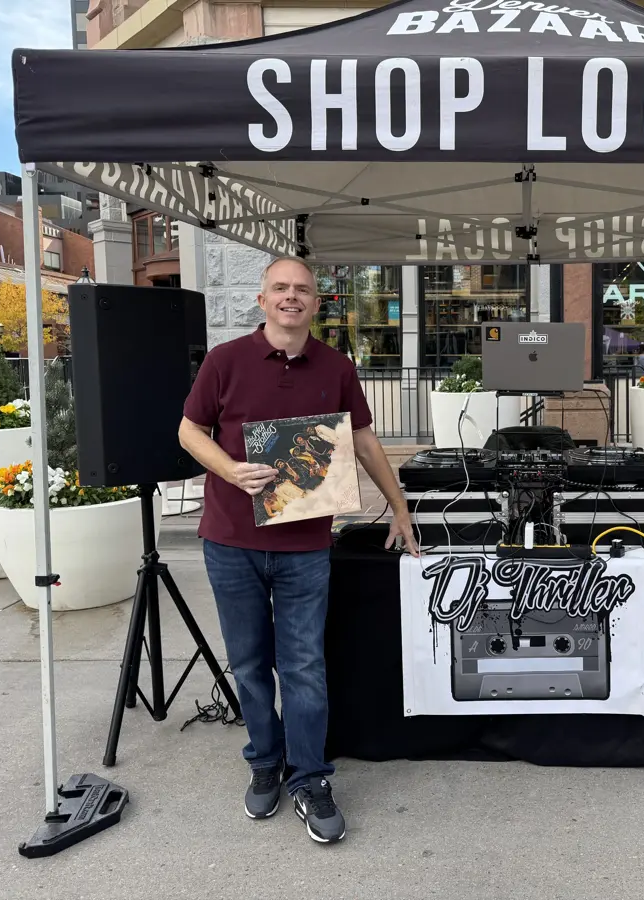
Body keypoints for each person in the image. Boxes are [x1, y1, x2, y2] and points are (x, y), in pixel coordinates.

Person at [178, 256, 419, 845]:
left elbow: (362, 437)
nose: (291, 297)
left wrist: (400, 504)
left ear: (317, 304)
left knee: (305, 667)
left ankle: (310, 777)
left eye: (302, 290)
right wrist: (232, 472)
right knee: (252, 664)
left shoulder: (336, 366)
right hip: (230, 542)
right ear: (262, 300)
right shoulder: (225, 360)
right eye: (280, 288)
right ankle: (265, 763)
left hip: (306, 546)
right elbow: (189, 431)